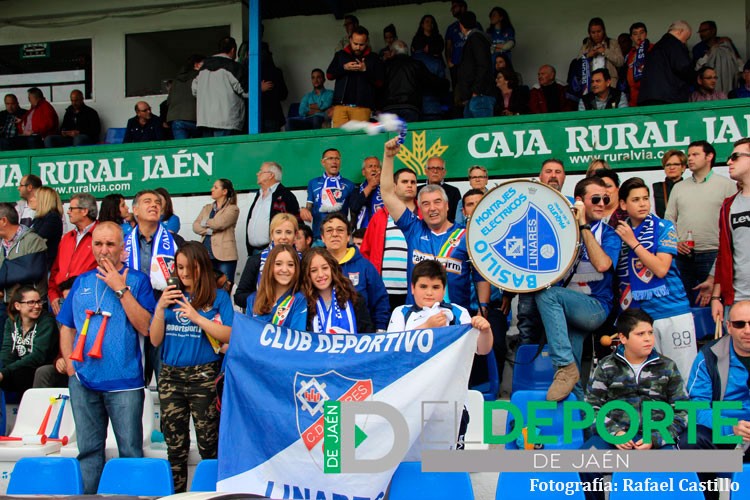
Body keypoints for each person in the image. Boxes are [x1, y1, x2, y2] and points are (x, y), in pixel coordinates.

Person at [58, 222, 155, 494]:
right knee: (88, 452)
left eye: (110, 244)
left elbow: (146, 327)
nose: (103, 250)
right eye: (98, 244)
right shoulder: (82, 281)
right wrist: (70, 367)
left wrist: (120, 288)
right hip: (84, 381)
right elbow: (67, 325)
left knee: (130, 453)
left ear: (122, 249)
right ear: (91, 247)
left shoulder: (138, 280)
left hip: (124, 383)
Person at [149, 242, 232, 492]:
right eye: (180, 267)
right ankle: (176, 495)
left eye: (191, 268)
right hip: (170, 376)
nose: (184, 273)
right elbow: (154, 339)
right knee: (175, 447)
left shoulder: (218, 297)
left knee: (209, 444)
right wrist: (160, 308)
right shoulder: (170, 296)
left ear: (203, 267)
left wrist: (197, 317)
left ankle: (212, 494)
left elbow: (230, 335)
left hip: (203, 376)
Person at [581, 309, 687, 500]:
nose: (648, 339)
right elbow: (590, 408)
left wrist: (655, 438)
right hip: (616, 437)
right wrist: (614, 433)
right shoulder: (606, 366)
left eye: (650, 333)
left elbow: (683, 411)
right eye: (640, 334)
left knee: (679, 466)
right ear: (623, 338)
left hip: (655, 437)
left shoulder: (667, 366)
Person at [387, 259, 492, 449]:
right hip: (408, 402)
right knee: (408, 464)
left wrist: (485, 330)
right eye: (423, 286)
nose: (429, 292)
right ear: (412, 288)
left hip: (451, 404)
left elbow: (482, 350)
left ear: (444, 289)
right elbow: (394, 352)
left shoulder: (459, 313)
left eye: (435, 287)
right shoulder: (401, 313)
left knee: (447, 466)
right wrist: (427, 327)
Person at [535, 177, 622, 401]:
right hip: (567, 309)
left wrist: (583, 226)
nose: (602, 203)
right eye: (595, 199)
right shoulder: (559, 229)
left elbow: (603, 265)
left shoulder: (609, 233)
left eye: (605, 198)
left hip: (594, 308)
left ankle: (565, 365)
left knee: (547, 294)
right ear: (580, 201)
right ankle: (581, 424)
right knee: (568, 379)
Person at [380, 138, 489, 312]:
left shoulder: (465, 236)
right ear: (420, 208)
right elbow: (387, 193)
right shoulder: (413, 228)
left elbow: (480, 277)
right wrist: (388, 157)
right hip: (417, 316)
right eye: (426, 204)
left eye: (437, 202)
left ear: (447, 206)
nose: (432, 208)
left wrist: (483, 307)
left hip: (456, 319)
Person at [614, 177, 697, 379]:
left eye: (645, 198)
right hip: (640, 318)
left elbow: (661, 268)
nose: (643, 204)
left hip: (673, 312)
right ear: (623, 204)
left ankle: (689, 412)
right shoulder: (618, 233)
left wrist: (634, 243)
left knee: (682, 375)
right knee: (648, 378)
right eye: (635, 200)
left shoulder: (663, 226)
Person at [680, 301, 750, 500]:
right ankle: (708, 497)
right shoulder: (709, 356)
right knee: (690, 440)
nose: (747, 330)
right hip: (723, 430)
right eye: (740, 324)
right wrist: (731, 426)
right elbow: (696, 407)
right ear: (729, 326)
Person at [665, 140, 736, 306]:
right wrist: (675, 242)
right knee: (685, 304)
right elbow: (669, 219)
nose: (690, 159)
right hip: (683, 256)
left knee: (715, 303)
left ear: (709, 156)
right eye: (689, 155)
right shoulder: (679, 187)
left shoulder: (726, 185)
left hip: (714, 254)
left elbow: (732, 223)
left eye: (695, 154)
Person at [361, 167, 419, 310]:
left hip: (415, 291)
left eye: (413, 182)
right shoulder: (380, 217)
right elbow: (365, 252)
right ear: (394, 187)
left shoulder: (423, 216)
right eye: (404, 181)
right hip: (383, 291)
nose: (410, 185)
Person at [320, 213, 389, 331]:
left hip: (359, 338)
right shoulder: (314, 267)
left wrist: (380, 329)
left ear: (348, 237)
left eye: (340, 230)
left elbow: (380, 301)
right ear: (322, 237)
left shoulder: (365, 266)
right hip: (322, 336)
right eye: (329, 230)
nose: (335, 234)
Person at [711, 138, 750, 324]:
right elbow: (723, 256)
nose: (729, 162)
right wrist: (716, 297)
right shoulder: (729, 205)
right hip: (736, 299)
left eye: (735, 157)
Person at [300, 247, 373, 333]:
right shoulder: (303, 304)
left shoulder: (354, 299)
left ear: (332, 268)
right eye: (313, 270)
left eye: (325, 268)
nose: (320, 274)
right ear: (307, 274)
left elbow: (367, 335)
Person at [1, 285, 58, 394]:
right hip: (20, 369)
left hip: (41, 368)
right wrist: (3, 371)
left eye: (39, 302)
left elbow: (38, 356)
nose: (37, 306)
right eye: (31, 302)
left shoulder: (47, 321)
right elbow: (7, 351)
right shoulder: (11, 321)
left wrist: (6, 372)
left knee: (19, 373)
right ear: (17, 306)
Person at [235, 213, 298, 311]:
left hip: (295, 316)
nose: (283, 237)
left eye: (288, 232)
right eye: (278, 232)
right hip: (261, 319)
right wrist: (264, 300)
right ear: (272, 235)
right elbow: (239, 297)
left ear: (295, 236)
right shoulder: (256, 261)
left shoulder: (303, 261)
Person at [48, 194, 98, 315]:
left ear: (84, 211)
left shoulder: (101, 234)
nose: (68, 212)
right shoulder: (66, 238)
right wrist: (53, 295)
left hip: (89, 299)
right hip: (61, 301)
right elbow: (55, 270)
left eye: (71, 208)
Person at [0, 203, 47, 329]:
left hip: (29, 309)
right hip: (3, 306)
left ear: (4, 220)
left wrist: (4, 275)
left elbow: (33, 272)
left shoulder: (32, 240)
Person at [326, 26, 383, 128]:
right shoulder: (340, 55)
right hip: (340, 106)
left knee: (358, 142)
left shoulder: (373, 58)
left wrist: (365, 70)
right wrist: (344, 68)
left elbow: (380, 82)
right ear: (350, 39)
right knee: (339, 140)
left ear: (367, 42)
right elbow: (329, 75)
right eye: (355, 44)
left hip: (362, 107)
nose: (358, 47)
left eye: (361, 44)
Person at [192, 36, 248, 137]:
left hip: (205, 120)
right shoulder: (234, 67)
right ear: (233, 50)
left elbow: (194, 90)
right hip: (226, 120)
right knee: (225, 152)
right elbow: (245, 91)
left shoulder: (203, 68)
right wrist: (259, 88)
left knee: (211, 152)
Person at [381, 40, 447, 123]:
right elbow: (432, 81)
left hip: (389, 107)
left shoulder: (385, 65)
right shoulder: (416, 64)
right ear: (407, 51)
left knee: (391, 135)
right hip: (410, 107)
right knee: (409, 135)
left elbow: (379, 85)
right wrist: (447, 84)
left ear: (392, 52)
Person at [300, 148, 356, 241]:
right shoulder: (313, 183)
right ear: (323, 162)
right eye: (330, 158)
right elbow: (309, 207)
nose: (334, 161)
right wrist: (303, 210)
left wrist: (349, 229)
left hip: (340, 237)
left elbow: (354, 212)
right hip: (319, 237)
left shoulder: (349, 184)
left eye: (337, 158)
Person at [193, 179, 239, 291]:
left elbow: (220, 224)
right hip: (206, 254)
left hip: (225, 256)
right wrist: (208, 230)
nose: (211, 189)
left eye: (215, 187)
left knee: (225, 287)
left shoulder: (232, 208)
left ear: (224, 191)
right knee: (206, 288)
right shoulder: (207, 207)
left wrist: (205, 222)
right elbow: (195, 226)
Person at [249, 244, 308, 331]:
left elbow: (296, 336)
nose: (284, 269)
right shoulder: (253, 299)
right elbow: (246, 334)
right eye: (278, 264)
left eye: (290, 265)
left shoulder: (300, 299)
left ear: (297, 269)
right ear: (270, 267)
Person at [245, 161, 300, 255]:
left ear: (270, 175)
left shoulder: (286, 195)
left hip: (275, 251)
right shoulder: (259, 194)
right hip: (254, 251)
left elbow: (295, 222)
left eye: (261, 171)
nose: (257, 174)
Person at [637, 21, 693, 105]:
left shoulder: (655, 48)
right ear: (680, 31)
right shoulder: (675, 44)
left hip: (647, 98)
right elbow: (683, 68)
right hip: (667, 99)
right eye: (686, 38)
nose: (685, 42)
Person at [455, 11, 495, 119]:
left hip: (480, 97)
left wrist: (476, 90)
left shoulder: (476, 38)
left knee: (482, 131)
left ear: (461, 25)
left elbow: (483, 65)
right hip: (474, 98)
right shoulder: (475, 38)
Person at [693, 21, 743, 97]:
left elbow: (739, 64)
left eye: (704, 31)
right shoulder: (698, 48)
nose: (701, 34)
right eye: (700, 32)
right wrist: (710, 52)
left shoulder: (725, 43)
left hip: (728, 84)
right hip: (708, 91)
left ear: (713, 31)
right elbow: (697, 68)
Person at [577, 17, 624, 91]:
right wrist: (588, 56)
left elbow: (620, 62)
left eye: (599, 31)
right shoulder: (585, 46)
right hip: (591, 84)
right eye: (593, 32)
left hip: (610, 83)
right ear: (589, 33)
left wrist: (605, 51)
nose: (596, 35)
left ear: (604, 31)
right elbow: (577, 65)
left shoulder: (613, 43)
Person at [167, 54, 204, 140]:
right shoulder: (200, 77)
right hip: (195, 119)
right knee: (200, 150)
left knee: (183, 150)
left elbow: (169, 101)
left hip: (176, 119)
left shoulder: (176, 81)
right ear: (197, 65)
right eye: (204, 64)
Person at [417, 156, 462, 223]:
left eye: (438, 168)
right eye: (432, 168)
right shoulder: (417, 191)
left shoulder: (454, 191)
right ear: (426, 171)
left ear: (444, 172)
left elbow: (456, 218)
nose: (435, 171)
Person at [28, 186, 63, 270]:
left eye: (34, 197)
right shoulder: (39, 218)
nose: (30, 199)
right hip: (37, 265)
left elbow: (36, 240)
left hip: (45, 266)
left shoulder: (52, 218)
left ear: (43, 200)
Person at [349, 156, 384, 230]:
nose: (374, 169)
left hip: (382, 230)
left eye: (376, 166)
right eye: (370, 166)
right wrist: (370, 186)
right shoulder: (356, 189)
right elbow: (354, 207)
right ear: (363, 172)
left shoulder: (387, 189)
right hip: (362, 232)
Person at [652, 149, 687, 218]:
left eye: (676, 164)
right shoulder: (655, 188)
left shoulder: (690, 187)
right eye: (668, 165)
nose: (671, 167)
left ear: (683, 167)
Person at [625, 22, 652, 107]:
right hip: (634, 97)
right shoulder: (629, 54)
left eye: (641, 32)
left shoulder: (653, 49)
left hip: (650, 93)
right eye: (635, 34)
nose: (639, 36)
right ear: (631, 37)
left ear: (646, 34)